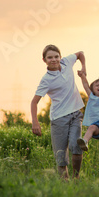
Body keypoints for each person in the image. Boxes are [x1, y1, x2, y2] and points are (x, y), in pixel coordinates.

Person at [30, 45, 86, 180]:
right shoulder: (46, 80)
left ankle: (76, 178)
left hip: (75, 115)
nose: (54, 60)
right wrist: (35, 122)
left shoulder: (66, 62)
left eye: (56, 56)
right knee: (60, 154)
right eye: (50, 57)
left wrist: (84, 68)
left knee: (76, 145)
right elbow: (34, 102)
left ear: (60, 57)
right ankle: (64, 183)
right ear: (44, 60)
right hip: (59, 119)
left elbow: (80, 53)